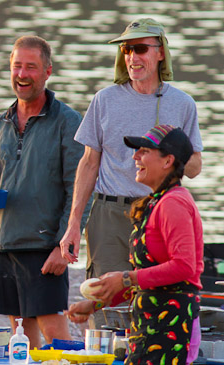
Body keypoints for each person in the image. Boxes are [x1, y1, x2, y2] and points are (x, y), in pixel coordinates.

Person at [60, 18, 203, 319]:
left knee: (154, 301)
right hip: (109, 214)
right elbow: (88, 163)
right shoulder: (104, 100)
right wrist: (73, 224)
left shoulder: (183, 103)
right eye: (127, 50)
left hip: (159, 215)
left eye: (140, 49)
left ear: (161, 52)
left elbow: (194, 169)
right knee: (106, 302)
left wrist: (170, 149)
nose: (132, 58)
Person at [0, 35, 90, 349]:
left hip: (44, 247)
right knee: (20, 339)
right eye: (16, 66)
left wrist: (63, 246)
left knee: (56, 338)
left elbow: (79, 189)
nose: (22, 74)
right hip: (4, 243)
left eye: (31, 67)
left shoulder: (68, 122)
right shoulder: (1, 122)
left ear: (47, 71)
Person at [66, 125, 204, 365]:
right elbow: (150, 279)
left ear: (167, 161)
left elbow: (184, 267)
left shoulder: (174, 203)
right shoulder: (155, 202)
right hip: (149, 326)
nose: (134, 157)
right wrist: (98, 303)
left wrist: (126, 278)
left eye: (143, 151)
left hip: (172, 328)